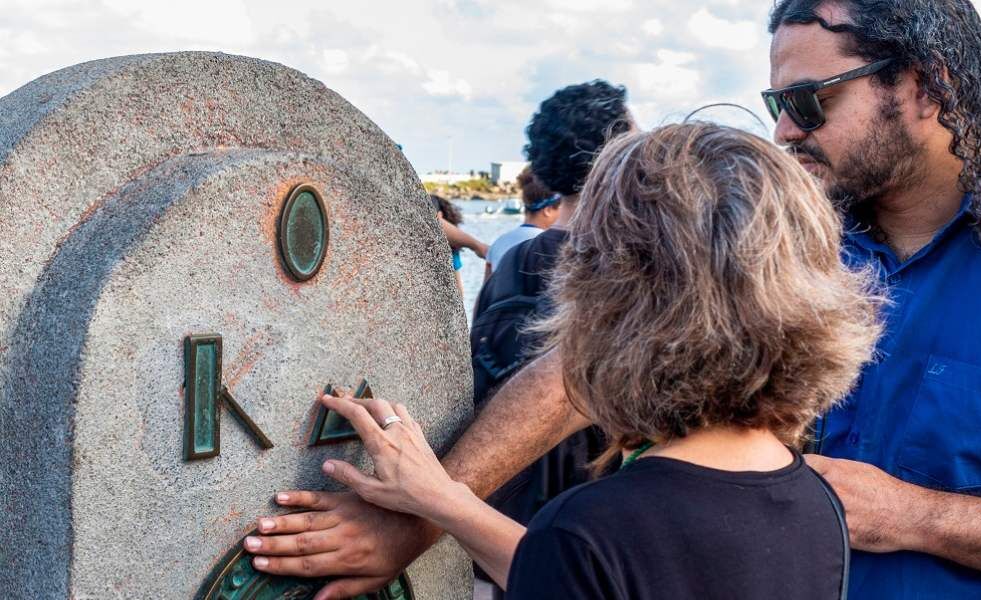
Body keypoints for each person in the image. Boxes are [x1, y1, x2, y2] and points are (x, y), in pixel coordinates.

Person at [249, 2, 981, 598]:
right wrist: (418, 518)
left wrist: (921, 518)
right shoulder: (784, 228)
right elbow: (583, 369)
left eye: (809, 102)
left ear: (927, 85)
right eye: (775, 104)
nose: (784, 133)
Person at [312, 122, 879, 599]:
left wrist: (442, 503)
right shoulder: (818, 504)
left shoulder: (585, 533)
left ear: (607, 301)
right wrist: (444, 502)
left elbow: (581, 571)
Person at [468, 80, 631, 599]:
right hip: (593, 504)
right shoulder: (624, 262)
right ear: (616, 151)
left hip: (503, 497)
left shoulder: (513, 258)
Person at [482, 166, 561, 278]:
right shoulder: (551, 246)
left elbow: (485, 293)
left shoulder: (498, 243)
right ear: (547, 210)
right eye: (560, 208)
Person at [431, 194, 487, 299]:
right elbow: (458, 287)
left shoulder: (451, 247)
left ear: (441, 215)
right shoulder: (452, 246)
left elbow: (458, 286)